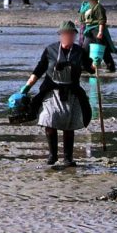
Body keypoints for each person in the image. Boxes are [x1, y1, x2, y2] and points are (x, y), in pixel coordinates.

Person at [17, 21, 96, 166]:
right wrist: (26, 87)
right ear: (60, 35)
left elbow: (90, 69)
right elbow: (39, 70)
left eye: (71, 34)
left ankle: (68, 158)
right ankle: (52, 156)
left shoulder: (79, 51)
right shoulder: (50, 50)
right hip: (51, 91)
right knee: (49, 120)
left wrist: (96, 63)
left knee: (69, 124)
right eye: (65, 34)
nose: (68, 37)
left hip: (72, 91)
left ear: (74, 35)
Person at [79, 0, 117, 72]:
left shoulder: (99, 7)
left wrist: (100, 32)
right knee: (85, 48)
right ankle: (85, 66)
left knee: (103, 50)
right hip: (89, 30)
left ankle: (111, 67)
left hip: (96, 29)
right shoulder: (89, 6)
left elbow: (101, 21)